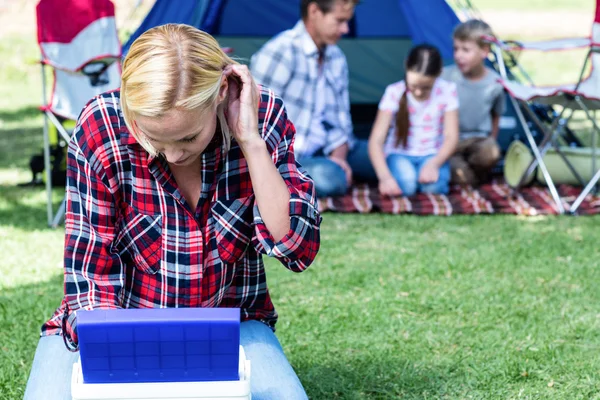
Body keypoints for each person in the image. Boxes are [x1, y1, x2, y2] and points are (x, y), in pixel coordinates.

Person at [23, 24, 321, 400]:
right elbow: (90, 275)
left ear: (221, 95)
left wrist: (250, 141)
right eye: (152, 138)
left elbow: (297, 248)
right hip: (114, 327)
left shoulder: (260, 118)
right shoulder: (100, 128)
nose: (173, 155)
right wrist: (124, 365)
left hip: (230, 327)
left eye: (187, 137)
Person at [250, 0, 376, 198]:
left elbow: (341, 119)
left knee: (383, 158)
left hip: (327, 144)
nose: (345, 29)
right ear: (314, 11)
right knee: (330, 179)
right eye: (340, 20)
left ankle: (339, 169)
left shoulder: (336, 57)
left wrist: (340, 155)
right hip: (290, 154)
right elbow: (255, 119)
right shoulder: (281, 51)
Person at [368, 44, 459, 197]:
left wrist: (434, 164)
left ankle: (426, 176)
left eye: (426, 88)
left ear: (439, 73)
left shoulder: (447, 91)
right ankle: (411, 178)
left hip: (432, 154)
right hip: (400, 154)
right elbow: (376, 141)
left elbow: (452, 136)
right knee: (407, 185)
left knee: (433, 189)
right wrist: (385, 177)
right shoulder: (394, 92)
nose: (418, 92)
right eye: (414, 86)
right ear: (406, 66)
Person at [441, 19, 506, 186]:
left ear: (484, 51)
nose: (458, 55)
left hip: (478, 141)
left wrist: (492, 139)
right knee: (463, 179)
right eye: (456, 49)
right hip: (449, 143)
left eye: (466, 50)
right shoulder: (445, 77)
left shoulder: (495, 83)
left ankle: (476, 173)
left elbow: (496, 115)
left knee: (490, 152)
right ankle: (470, 178)